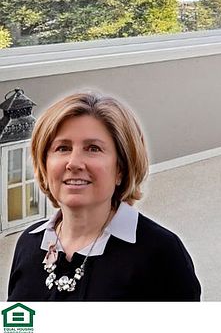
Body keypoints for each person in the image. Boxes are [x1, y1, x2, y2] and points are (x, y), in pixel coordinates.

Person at [7, 92, 201, 301]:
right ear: (44, 164)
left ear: (121, 168)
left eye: (93, 148)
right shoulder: (28, 243)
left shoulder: (161, 252)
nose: (74, 163)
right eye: (62, 148)